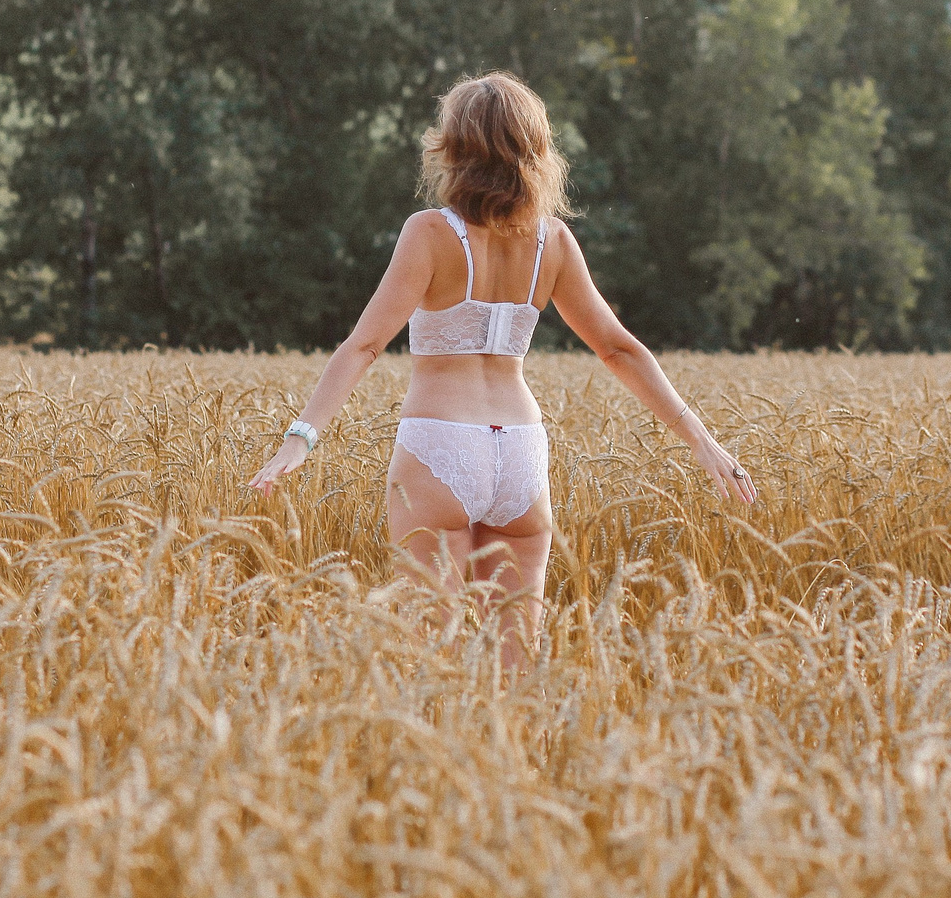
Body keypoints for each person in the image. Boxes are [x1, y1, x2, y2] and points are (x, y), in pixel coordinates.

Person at [249, 72, 755, 663]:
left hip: (440, 446)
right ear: (534, 152)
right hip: (520, 452)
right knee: (517, 672)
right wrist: (700, 438)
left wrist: (300, 438)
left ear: (455, 150)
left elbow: (363, 346)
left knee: (423, 661)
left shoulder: (431, 234)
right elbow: (619, 349)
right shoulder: (554, 243)